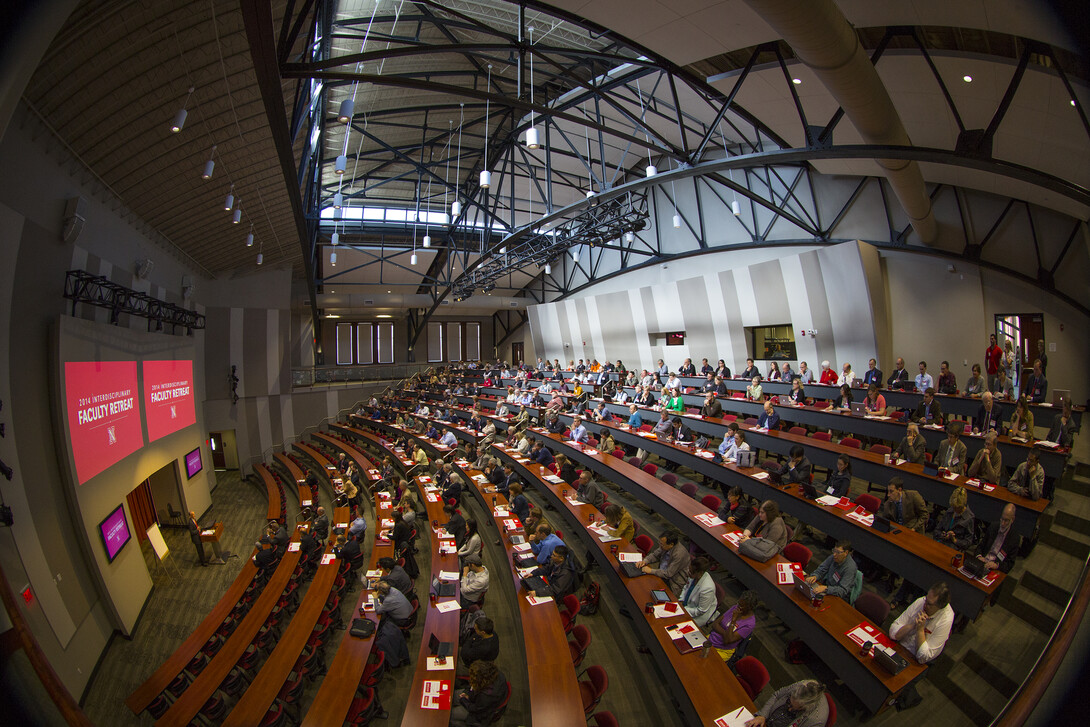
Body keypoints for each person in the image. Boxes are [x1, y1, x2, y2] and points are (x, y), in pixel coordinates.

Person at [888, 583, 954, 710]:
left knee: (892, 682)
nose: (925, 605)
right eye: (926, 599)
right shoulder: (921, 601)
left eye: (929, 604)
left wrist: (920, 631)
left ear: (940, 607)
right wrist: (912, 626)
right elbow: (893, 631)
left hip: (916, 661)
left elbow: (924, 657)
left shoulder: (945, 620)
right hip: (900, 646)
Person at [745, 679, 828, 727]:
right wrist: (762, 715)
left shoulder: (816, 720)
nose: (789, 708)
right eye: (789, 702)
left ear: (805, 708)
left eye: (794, 709)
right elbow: (776, 695)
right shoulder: (801, 686)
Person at [449, 660, 506, 727]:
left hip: (479, 713)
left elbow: (476, 709)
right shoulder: (495, 674)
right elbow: (472, 685)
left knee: (451, 716)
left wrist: (464, 700)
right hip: (476, 697)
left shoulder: (486, 696)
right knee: (451, 696)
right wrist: (467, 692)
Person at [975, 503, 1021, 573]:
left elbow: (1009, 564)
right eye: (1002, 519)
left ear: (1012, 519)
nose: (1002, 523)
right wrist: (979, 556)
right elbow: (980, 546)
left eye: (1006, 520)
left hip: (996, 569)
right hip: (983, 562)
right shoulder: (993, 526)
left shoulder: (1014, 538)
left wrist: (997, 565)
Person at [677, 556, 717, 627]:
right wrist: (681, 600)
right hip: (685, 606)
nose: (688, 573)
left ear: (700, 573)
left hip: (697, 615)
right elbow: (686, 588)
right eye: (689, 569)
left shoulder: (707, 588)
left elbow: (701, 610)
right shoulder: (694, 576)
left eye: (691, 572)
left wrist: (684, 610)